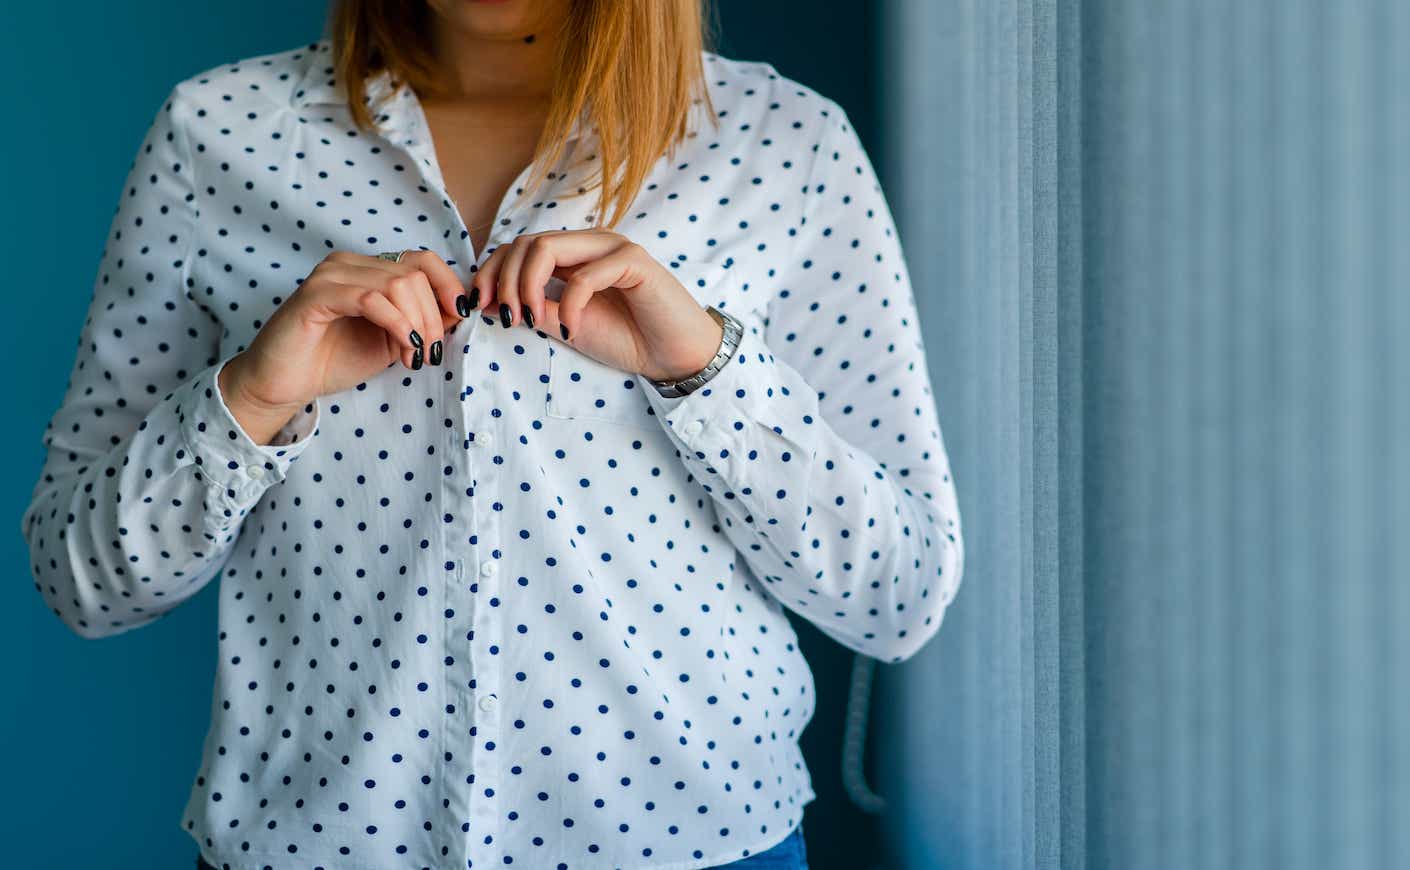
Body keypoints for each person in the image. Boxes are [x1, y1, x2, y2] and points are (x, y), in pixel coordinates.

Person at [19, 1, 964, 867]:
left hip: (698, 844)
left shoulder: (785, 147)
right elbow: (82, 582)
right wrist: (253, 400)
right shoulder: (217, 134)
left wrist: (704, 370)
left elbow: (900, 593)